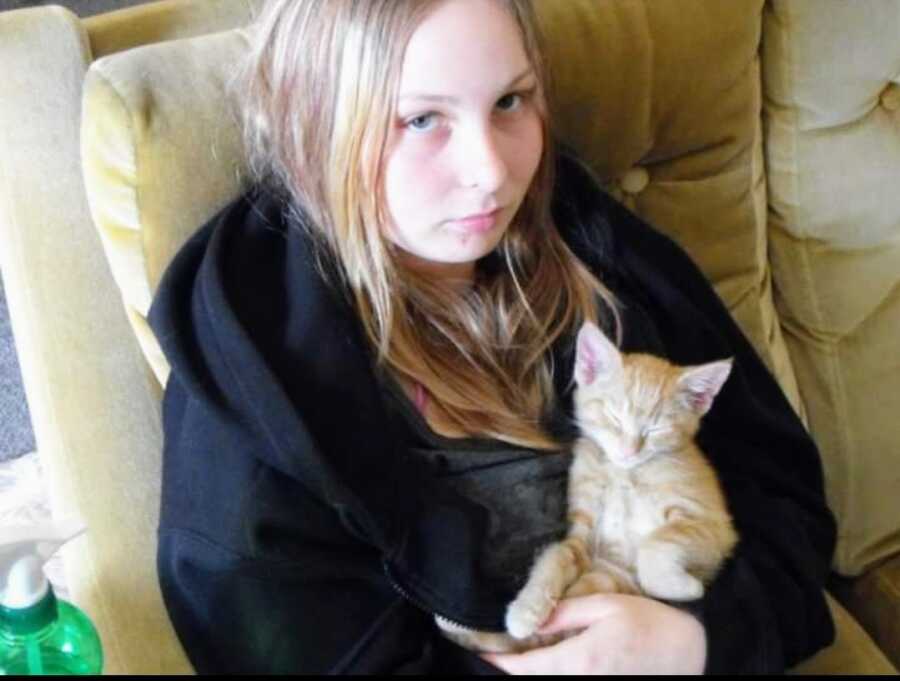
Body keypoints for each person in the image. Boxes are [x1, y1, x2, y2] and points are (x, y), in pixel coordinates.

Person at [147, 0, 837, 674]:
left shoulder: (591, 249)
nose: (494, 172)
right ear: (314, 123)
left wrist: (694, 643)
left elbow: (786, 497)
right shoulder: (255, 396)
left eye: (510, 101)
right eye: (421, 119)